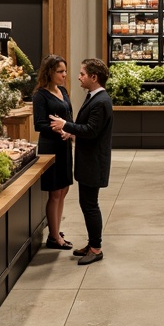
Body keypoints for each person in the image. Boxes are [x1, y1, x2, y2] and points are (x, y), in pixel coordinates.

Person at [49, 58, 113, 265]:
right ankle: (92, 243)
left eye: (82, 74)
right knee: (87, 204)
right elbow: (88, 130)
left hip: (94, 162)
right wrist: (73, 135)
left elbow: (91, 130)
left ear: (94, 77)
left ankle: (96, 248)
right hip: (89, 160)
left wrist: (65, 125)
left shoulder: (101, 101)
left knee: (90, 205)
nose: (78, 77)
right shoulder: (93, 97)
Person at [32, 54, 74, 249]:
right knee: (55, 193)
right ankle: (53, 237)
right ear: (49, 72)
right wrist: (58, 129)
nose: (64, 75)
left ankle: (56, 229)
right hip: (51, 147)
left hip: (65, 145)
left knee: (64, 189)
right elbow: (39, 124)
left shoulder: (63, 91)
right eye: (60, 71)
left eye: (65, 71)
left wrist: (70, 131)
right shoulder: (40, 95)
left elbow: (69, 115)